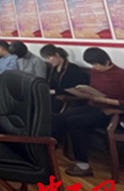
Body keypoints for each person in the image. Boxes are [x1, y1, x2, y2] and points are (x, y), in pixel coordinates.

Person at [52, 48, 124, 177]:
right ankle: (50, 150)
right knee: (59, 118)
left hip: (110, 111)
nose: (94, 67)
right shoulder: (95, 72)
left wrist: (106, 100)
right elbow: (94, 89)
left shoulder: (120, 75)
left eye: (96, 64)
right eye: (92, 65)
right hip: (93, 105)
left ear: (107, 61)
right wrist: (85, 93)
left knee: (75, 122)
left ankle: (83, 164)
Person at [40, 44, 90, 112]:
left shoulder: (72, 69)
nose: (47, 61)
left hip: (65, 98)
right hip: (54, 96)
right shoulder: (53, 69)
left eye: (49, 58)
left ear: (57, 55)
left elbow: (73, 88)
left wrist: (54, 91)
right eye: (46, 59)